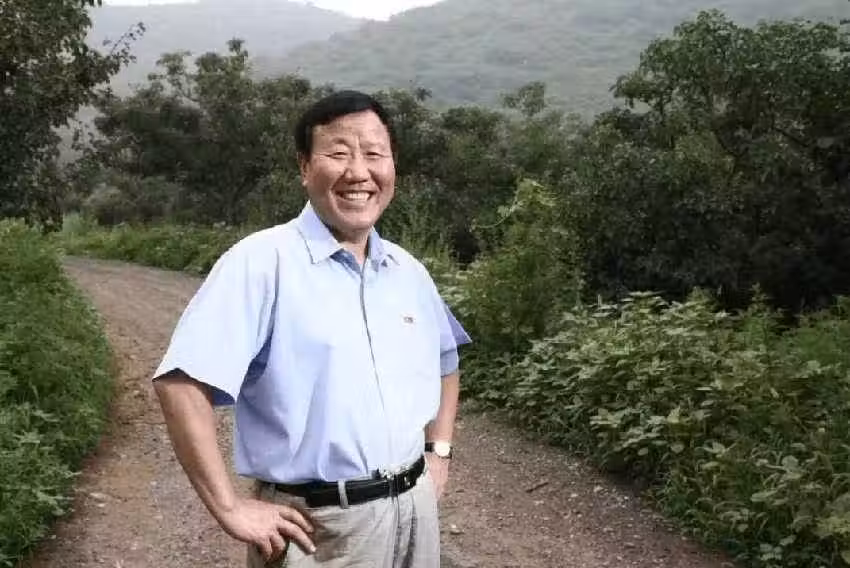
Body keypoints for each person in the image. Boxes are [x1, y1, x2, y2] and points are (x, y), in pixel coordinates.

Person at [151, 89, 471, 568]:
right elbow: (180, 383)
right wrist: (229, 507)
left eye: (374, 154)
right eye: (338, 154)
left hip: (414, 512)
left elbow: (446, 360)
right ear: (305, 167)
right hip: (321, 528)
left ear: (393, 167)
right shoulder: (262, 263)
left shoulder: (408, 271)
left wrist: (438, 452)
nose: (358, 172)